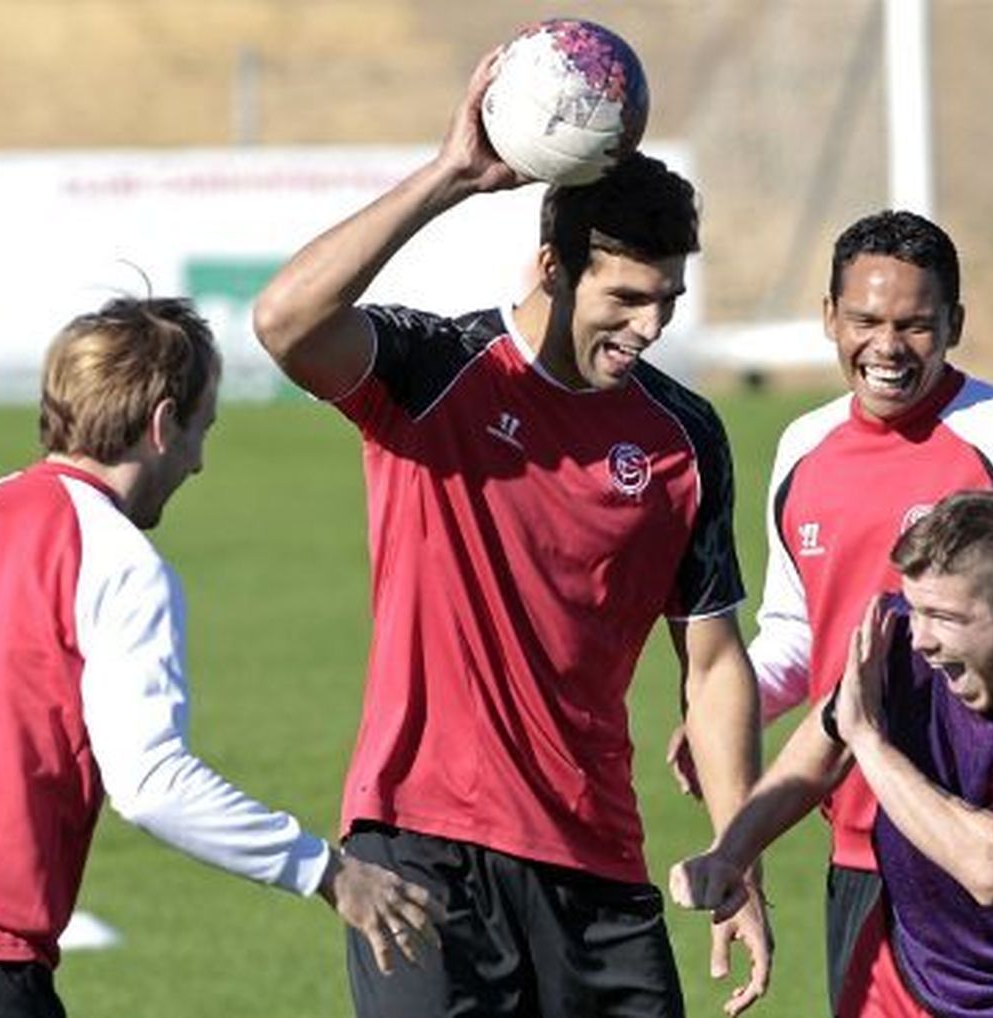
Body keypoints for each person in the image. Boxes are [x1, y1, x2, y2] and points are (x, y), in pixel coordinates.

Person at [251, 49, 770, 1018]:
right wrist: (450, 175)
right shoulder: (435, 368)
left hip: (596, 864)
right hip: (419, 850)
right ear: (551, 268)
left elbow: (709, 661)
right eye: (625, 298)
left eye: (667, 301)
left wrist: (734, 845)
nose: (650, 325)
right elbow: (284, 321)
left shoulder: (683, 436)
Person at [0, 297, 440, 1018]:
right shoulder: (117, 559)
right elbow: (151, 781)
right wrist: (326, 872)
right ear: (164, 424)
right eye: (203, 430)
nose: (198, 463)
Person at [665, 209, 993, 1013]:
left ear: (955, 324)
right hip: (859, 848)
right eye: (866, 320)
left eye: (916, 325)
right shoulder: (803, 447)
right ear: (827, 319)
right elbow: (798, 632)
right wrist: (737, 701)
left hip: (992, 845)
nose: (888, 347)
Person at [671, 490, 993, 1017]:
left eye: (942, 616)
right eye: (914, 607)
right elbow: (830, 734)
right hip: (901, 977)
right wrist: (731, 853)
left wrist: (870, 742)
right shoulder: (900, 634)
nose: (919, 638)